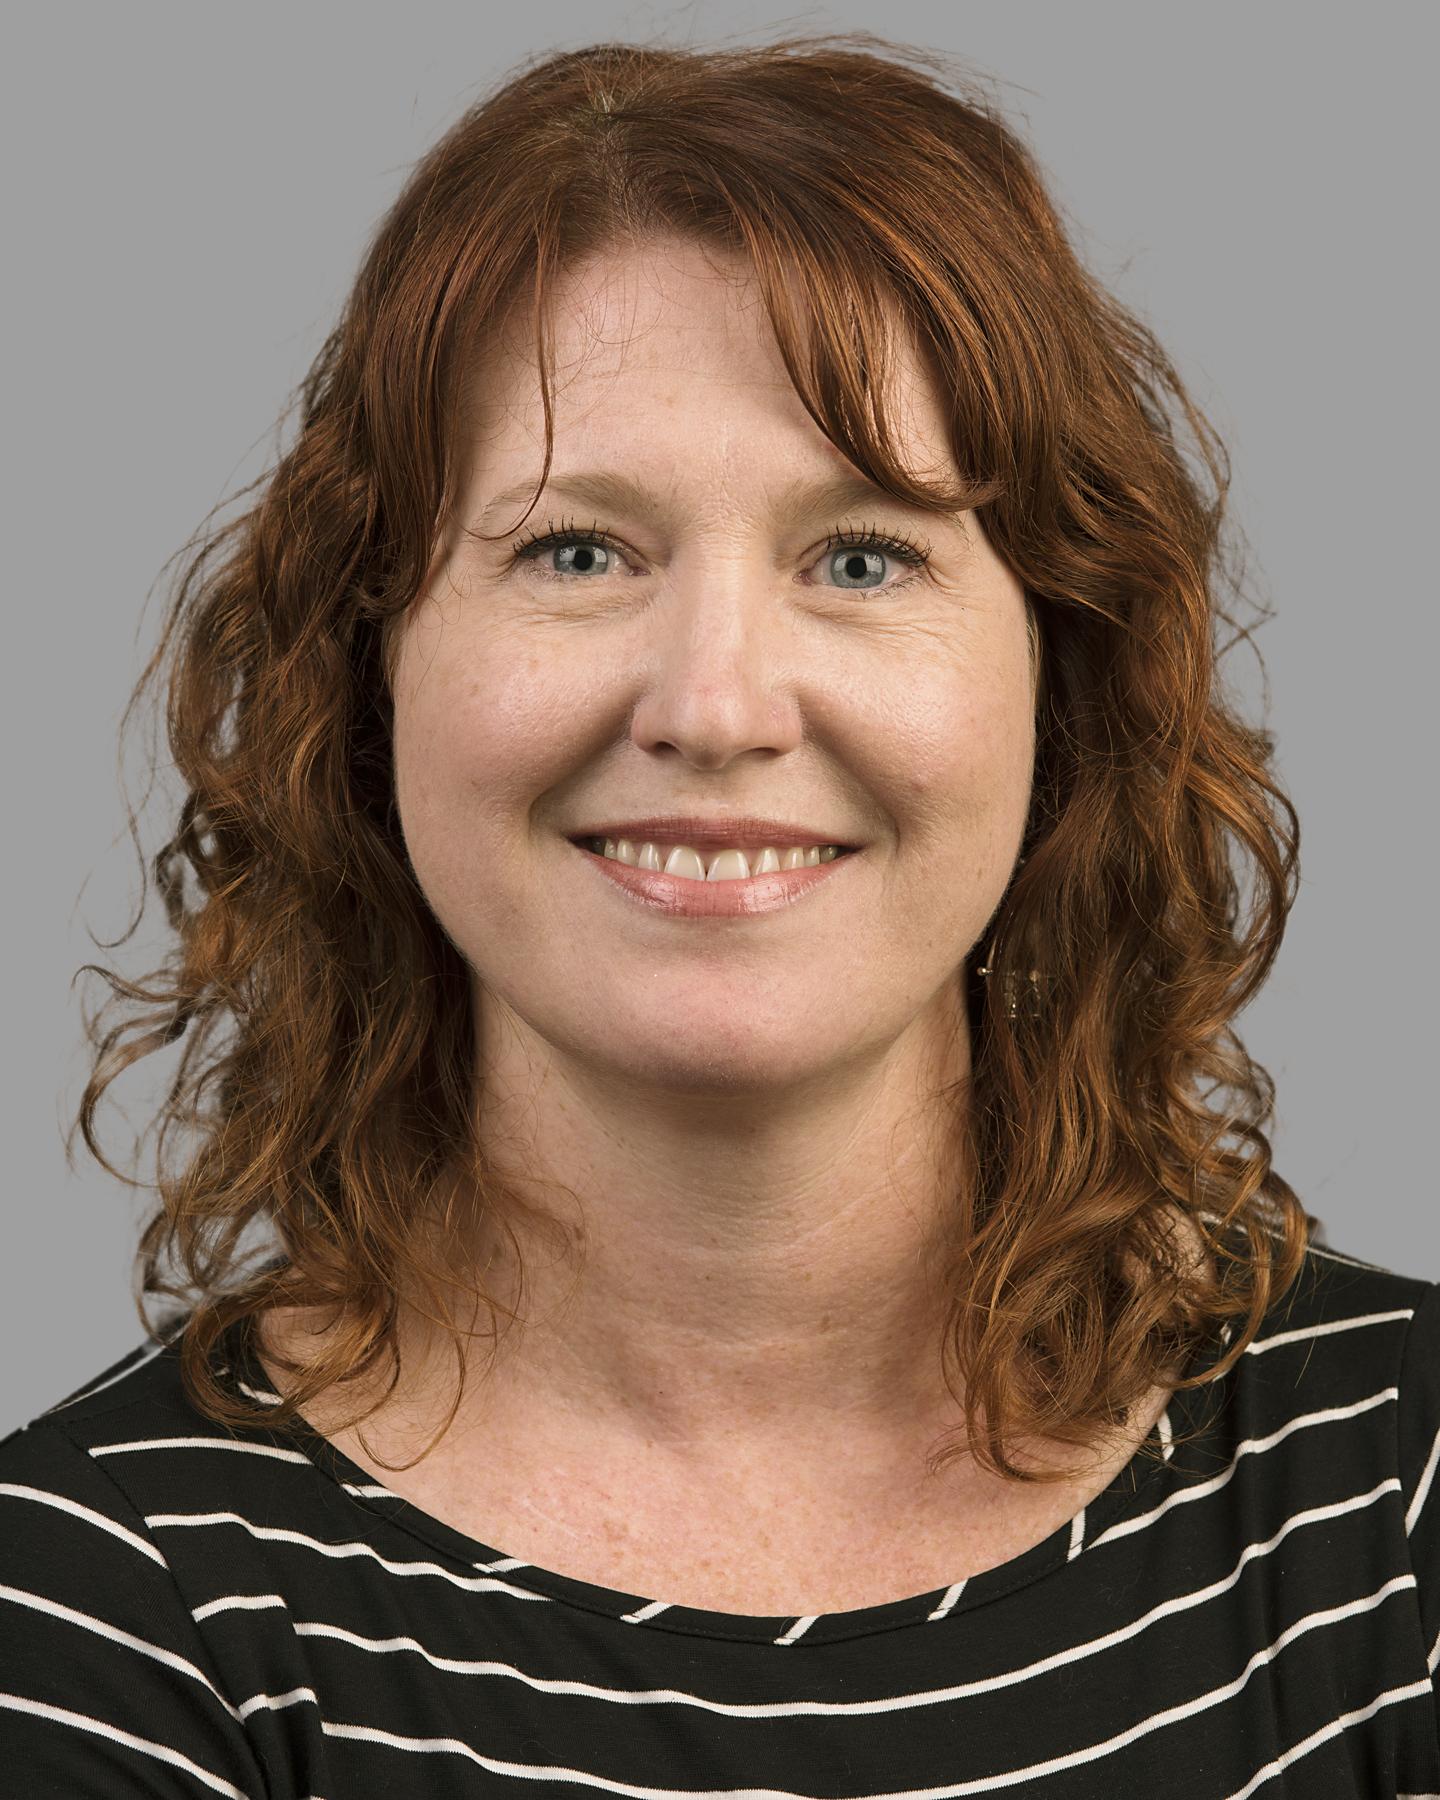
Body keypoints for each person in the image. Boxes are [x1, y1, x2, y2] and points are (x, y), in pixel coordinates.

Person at [2, 31, 1435, 1798]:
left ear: (1062, 681)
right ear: (367, 675)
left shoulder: (1402, 1496)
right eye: (577, 552)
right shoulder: (90, 1614)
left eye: (862, 555)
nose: (718, 704)